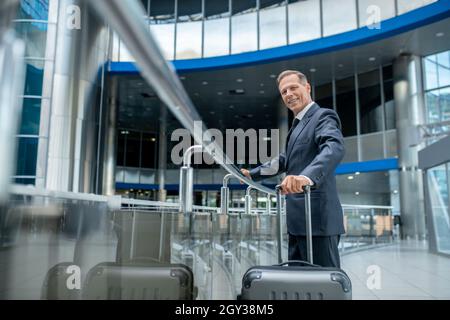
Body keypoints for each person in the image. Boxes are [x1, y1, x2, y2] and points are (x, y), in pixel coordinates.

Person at [241, 70, 345, 268]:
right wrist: (252, 175)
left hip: (318, 221)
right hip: (297, 221)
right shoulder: (297, 126)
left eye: (293, 87)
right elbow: (284, 160)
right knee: (300, 283)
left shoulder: (323, 116)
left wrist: (306, 177)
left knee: (324, 286)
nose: (288, 94)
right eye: (284, 91)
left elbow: (333, 147)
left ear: (307, 88)